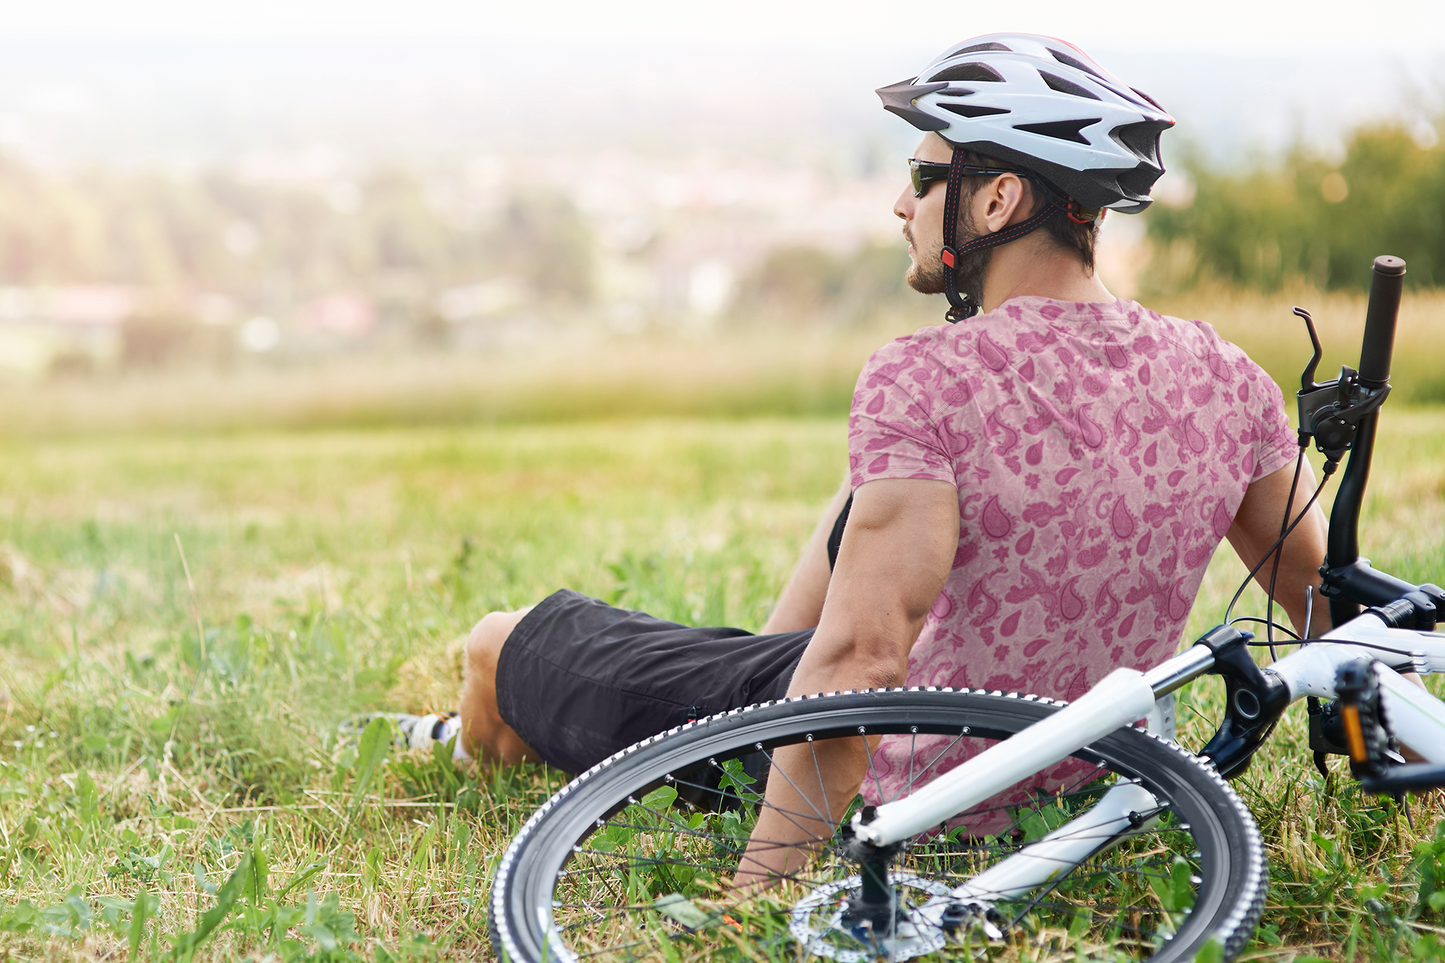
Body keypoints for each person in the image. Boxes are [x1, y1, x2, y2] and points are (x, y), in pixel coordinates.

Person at [385, 34, 1328, 881]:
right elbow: (1328, 602)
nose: (900, 203)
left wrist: (756, 896)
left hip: (894, 788)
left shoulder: (926, 375)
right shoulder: (1225, 373)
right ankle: (718, 680)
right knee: (878, 492)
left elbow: (861, 657)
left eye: (924, 178)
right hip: (1077, 780)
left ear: (998, 197)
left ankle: (472, 747)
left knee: (498, 643)